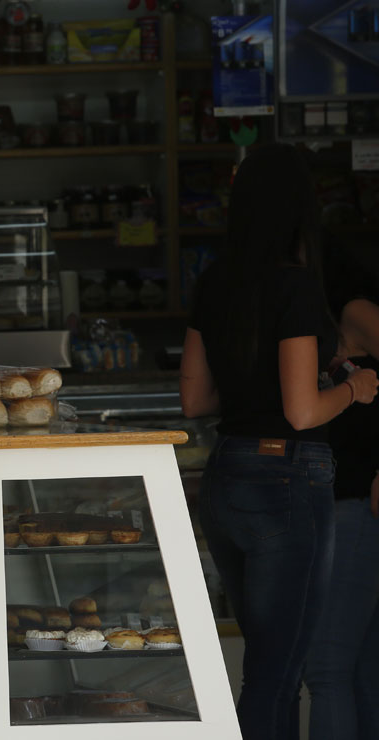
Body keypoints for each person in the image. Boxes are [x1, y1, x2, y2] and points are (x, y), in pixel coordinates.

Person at [179, 144, 378, 740]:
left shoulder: (213, 281)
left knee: (264, 665)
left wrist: (258, 388)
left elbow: (195, 401)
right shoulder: (295, 288)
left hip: (226, 477)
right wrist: (357, 389)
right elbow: (301, 411)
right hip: (287, 482)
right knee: (278, 672)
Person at [304, 246, 379, 740]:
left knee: (327, 668)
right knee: (358, 669)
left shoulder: (351, 305)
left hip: (354, 505)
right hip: (344, 503)